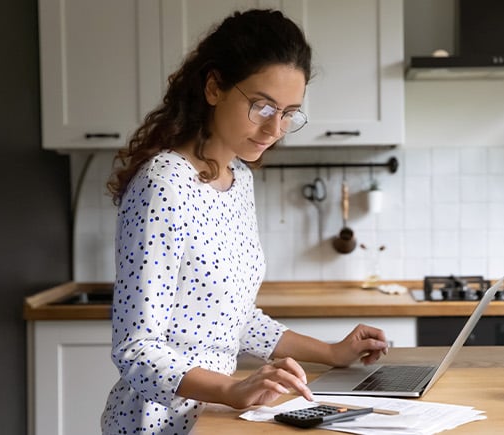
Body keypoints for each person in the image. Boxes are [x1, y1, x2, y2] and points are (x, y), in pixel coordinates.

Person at [100, 9, 390, 434]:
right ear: (214, 87)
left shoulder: (238, 181)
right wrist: (232, 390)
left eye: (289, 112)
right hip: (156, 423)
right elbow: (136, 350)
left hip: (214, 418)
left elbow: (234, 317)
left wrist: (332, 352)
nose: (276, 127)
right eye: (263, 106)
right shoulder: (163, 184)